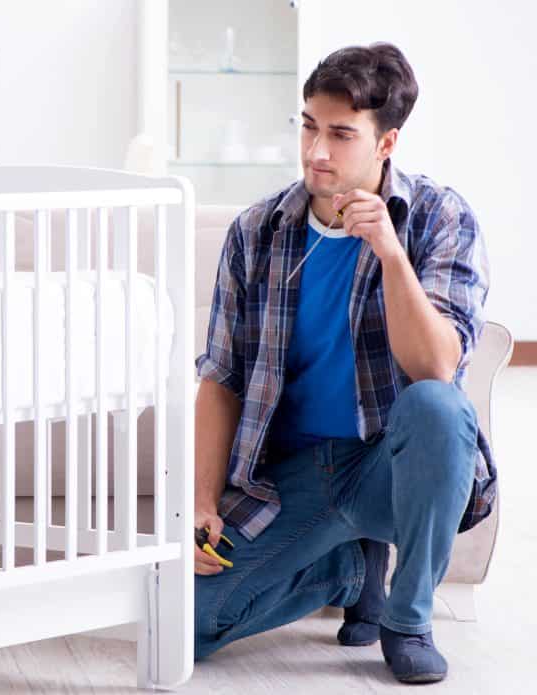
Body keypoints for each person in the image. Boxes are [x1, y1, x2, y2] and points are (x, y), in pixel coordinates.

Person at [192, 42, 495, 684]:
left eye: (339, 134)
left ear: (386, 144)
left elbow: (437, 367)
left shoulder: (441, 219)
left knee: (438, 404)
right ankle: (352, 568)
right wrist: (200, 502)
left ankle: (408, 617)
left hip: (390, 469)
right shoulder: (257, 230)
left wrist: (390, 252)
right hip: (291, 478)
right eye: (308, 126)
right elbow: (220, 376)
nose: (315, 152)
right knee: (185, 622)